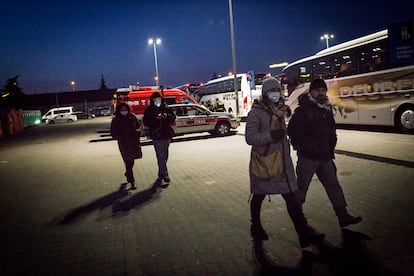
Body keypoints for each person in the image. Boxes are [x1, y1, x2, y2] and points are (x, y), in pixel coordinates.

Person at [246, 77, 324, 250]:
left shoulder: (280, 111)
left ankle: (303, 235)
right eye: (271, 91)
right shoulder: (256, 113)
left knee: (292, 199)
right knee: (258, 195)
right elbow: (250, 138)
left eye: (277, 90)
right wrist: (269, 136)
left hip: (283, 163)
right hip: (266, 162)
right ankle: (256, 226)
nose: (275, 94)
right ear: (265, 93)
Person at [287, 78, 362, 227]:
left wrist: (331, 146)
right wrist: (302, 148)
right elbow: (292, 131)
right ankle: (299, 221)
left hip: (325, 157)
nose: (321, 93)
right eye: (317, 90)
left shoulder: (326, 108)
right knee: (301, 190)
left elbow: (331, 130)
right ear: (311, 92)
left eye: (323, 90)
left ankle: (343, 216)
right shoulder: (303, 110)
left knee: (333, 186)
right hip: (308, 159)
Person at [143, 92, 176, 185]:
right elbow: (146, 122)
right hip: (156, 135)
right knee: (161, 155)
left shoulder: (166, 108)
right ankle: (165, 174)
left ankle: (161, 172)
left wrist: (167, 116)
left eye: (158, 99)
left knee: (164, 155)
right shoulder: (149, 110)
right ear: (152, 100)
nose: (157, 101)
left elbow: (173, 118)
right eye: (155, 100)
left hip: (166, 135)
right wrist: (155, 118)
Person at [111, 102, 142, 190]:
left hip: (133, 142)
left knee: (131, 161)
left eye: (125, 109)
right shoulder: (116, 119)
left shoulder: (132, 116)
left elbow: (138, 125)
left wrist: (137, 132)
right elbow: (113, 132)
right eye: (122, 110)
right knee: (127, 160)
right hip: (123, 143)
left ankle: (128, 173)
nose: (124, 111)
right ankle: (132, 181)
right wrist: (120, 135)